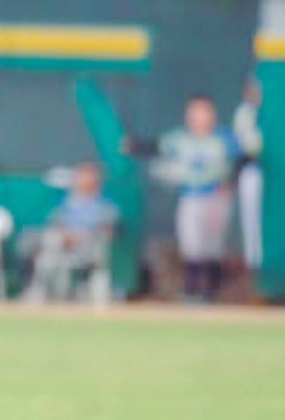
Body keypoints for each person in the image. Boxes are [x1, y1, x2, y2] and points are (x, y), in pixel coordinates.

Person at [128, 93, 238, 303]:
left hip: (216, 196)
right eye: (195, 111)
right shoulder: (181, 137)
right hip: (191, 195)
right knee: (191, 243)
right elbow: (157, 147)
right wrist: (134, 145)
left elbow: (241, 161)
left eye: (203, 111)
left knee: (212, 245)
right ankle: (192, 291)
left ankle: (211, 293)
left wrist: (229, 182)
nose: (199, 116)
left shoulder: (224, 138)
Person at [22, 162, 119, 303]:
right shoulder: (66, 203)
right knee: (41, 241)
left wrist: (81, 235)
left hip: (89, 249)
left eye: (88, 176)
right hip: (61, 246)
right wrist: (64, 235)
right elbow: (55, 224)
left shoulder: (105, 206)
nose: (84, 180)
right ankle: (37, 290)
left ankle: (81, 289)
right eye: (81, 176)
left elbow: (109, 230)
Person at [233, 76, 263, 288]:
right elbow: (248, 148)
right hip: (251, 170)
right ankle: (254, 272)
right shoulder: (244, 113)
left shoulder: (271, 111)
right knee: (251, 223)